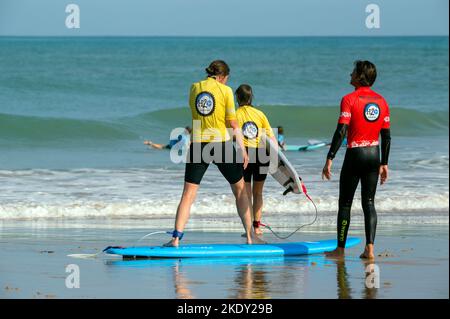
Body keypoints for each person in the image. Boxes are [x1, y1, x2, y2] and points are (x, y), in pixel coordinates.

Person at [164, 60, 261, 247]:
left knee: (188, 194)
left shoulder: (194, 88)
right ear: (223, 77)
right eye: (226, 79)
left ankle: (175, 238)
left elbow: (199, 115)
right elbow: (233, 124)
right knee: (240, 190)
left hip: (199, 144)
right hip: (220, 144)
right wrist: (243, 150)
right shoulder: (225, 91)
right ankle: (250, 238)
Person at [322, 60, 391, 260]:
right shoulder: (382, 101)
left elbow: (342, 130)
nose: (350, 74)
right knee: (369, 202)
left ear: (360, 76)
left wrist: (330, 157)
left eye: (353, 71)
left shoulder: (349, 99)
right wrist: (384, 163)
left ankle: (340, 250)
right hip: (374, 155)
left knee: (345, 204)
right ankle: (370, 249)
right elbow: (386, 136)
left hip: (355, 154)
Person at [235, 84, 277, 236]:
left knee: (245, 193)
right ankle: (257, 227)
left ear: (237, 98)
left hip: (244, 155)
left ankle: (248, 230)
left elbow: (231, 135)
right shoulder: (260, 114)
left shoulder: (235, 114)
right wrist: (277, 159)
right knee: (258, 193)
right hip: (262, 154)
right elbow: (272, 138)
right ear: (251, 97)